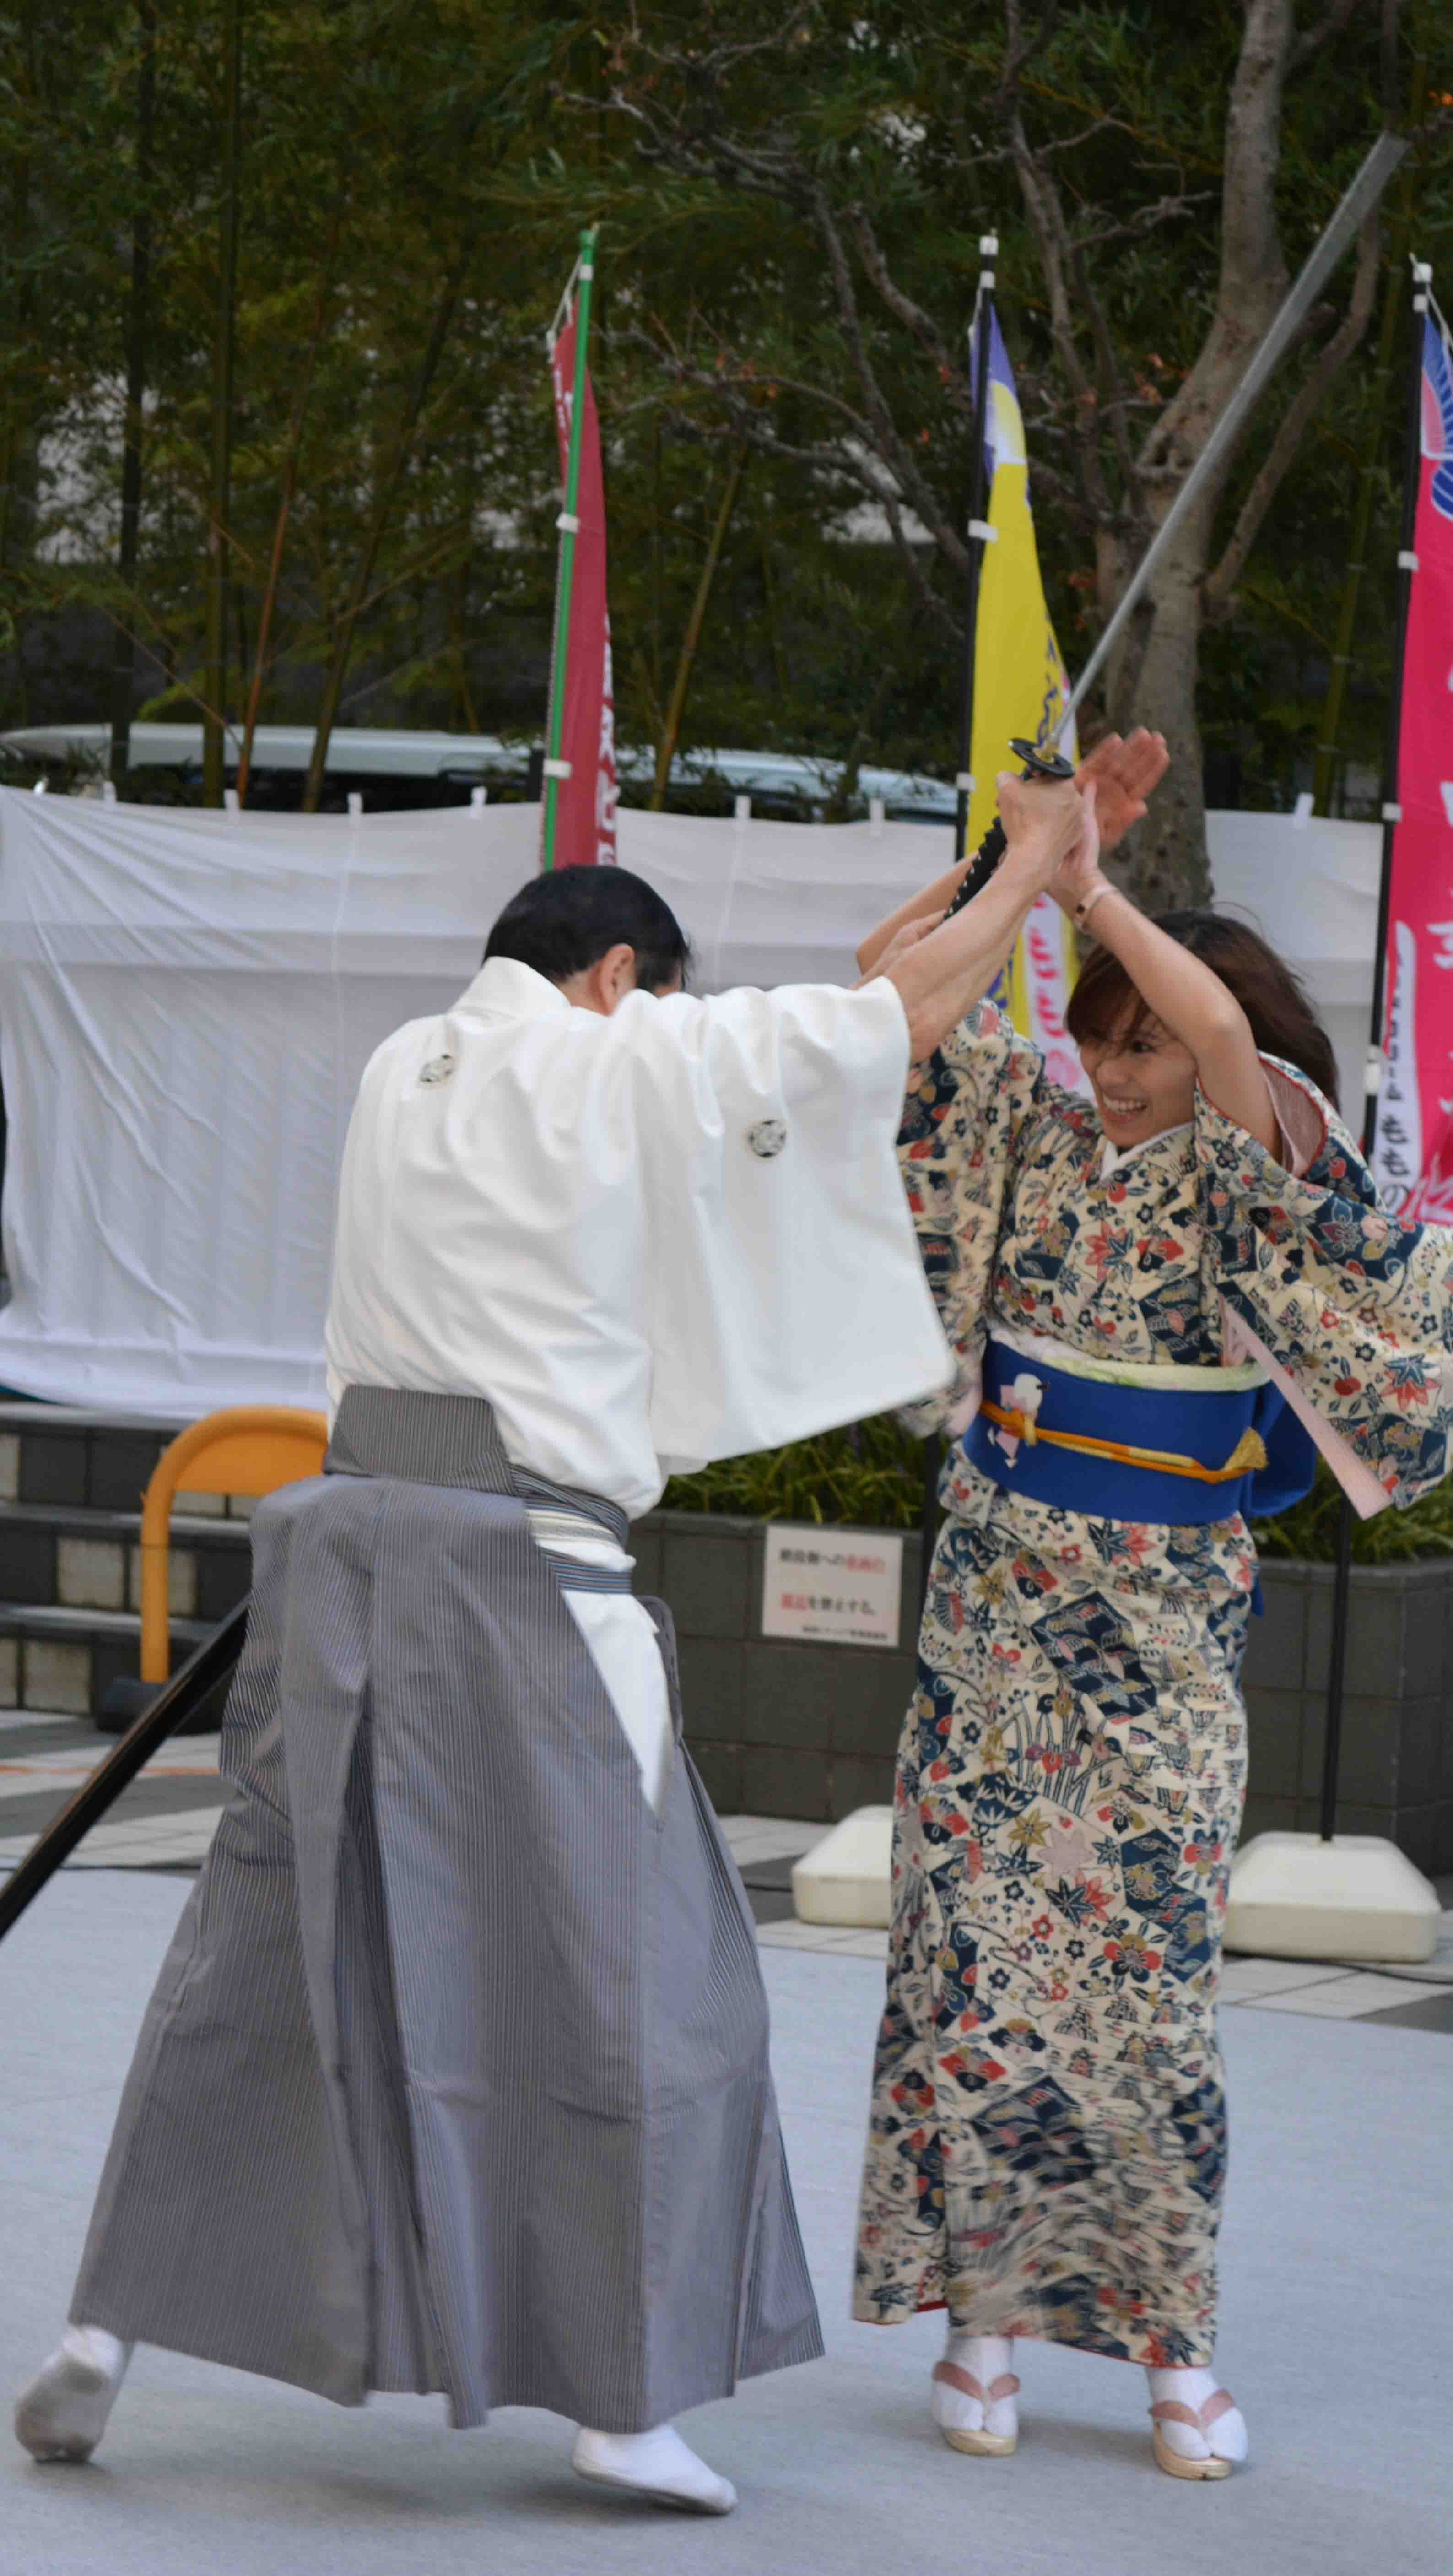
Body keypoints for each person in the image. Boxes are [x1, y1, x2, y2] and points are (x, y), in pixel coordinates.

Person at [16, 802, 1106, 2515]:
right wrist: (1036, 876)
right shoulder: (617, 1061)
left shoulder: (403, 1065)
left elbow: (839, 1015)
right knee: (659, 1987)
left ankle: (104, 2326)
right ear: (616, 976)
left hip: (344, 1560)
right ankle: (621, 2398)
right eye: (662, 992)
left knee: (265, 1961)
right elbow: (878, 1023)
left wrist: (986, 881)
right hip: (528, 1578)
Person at [852, 757, 1453, 2479]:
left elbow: (1229, 1035)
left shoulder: (1254, 1157)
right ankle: (980, 2324)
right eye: (1098, 1038)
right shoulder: (1028, 1131)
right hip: (995, 1604)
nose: (1117, 1072)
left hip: (1169, 1627)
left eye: (1145, 1044)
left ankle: (1175, 2341)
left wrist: (1093, 892)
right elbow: (882, 999)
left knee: (1152, 1991)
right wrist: (1009, 856)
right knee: (975, 1964)